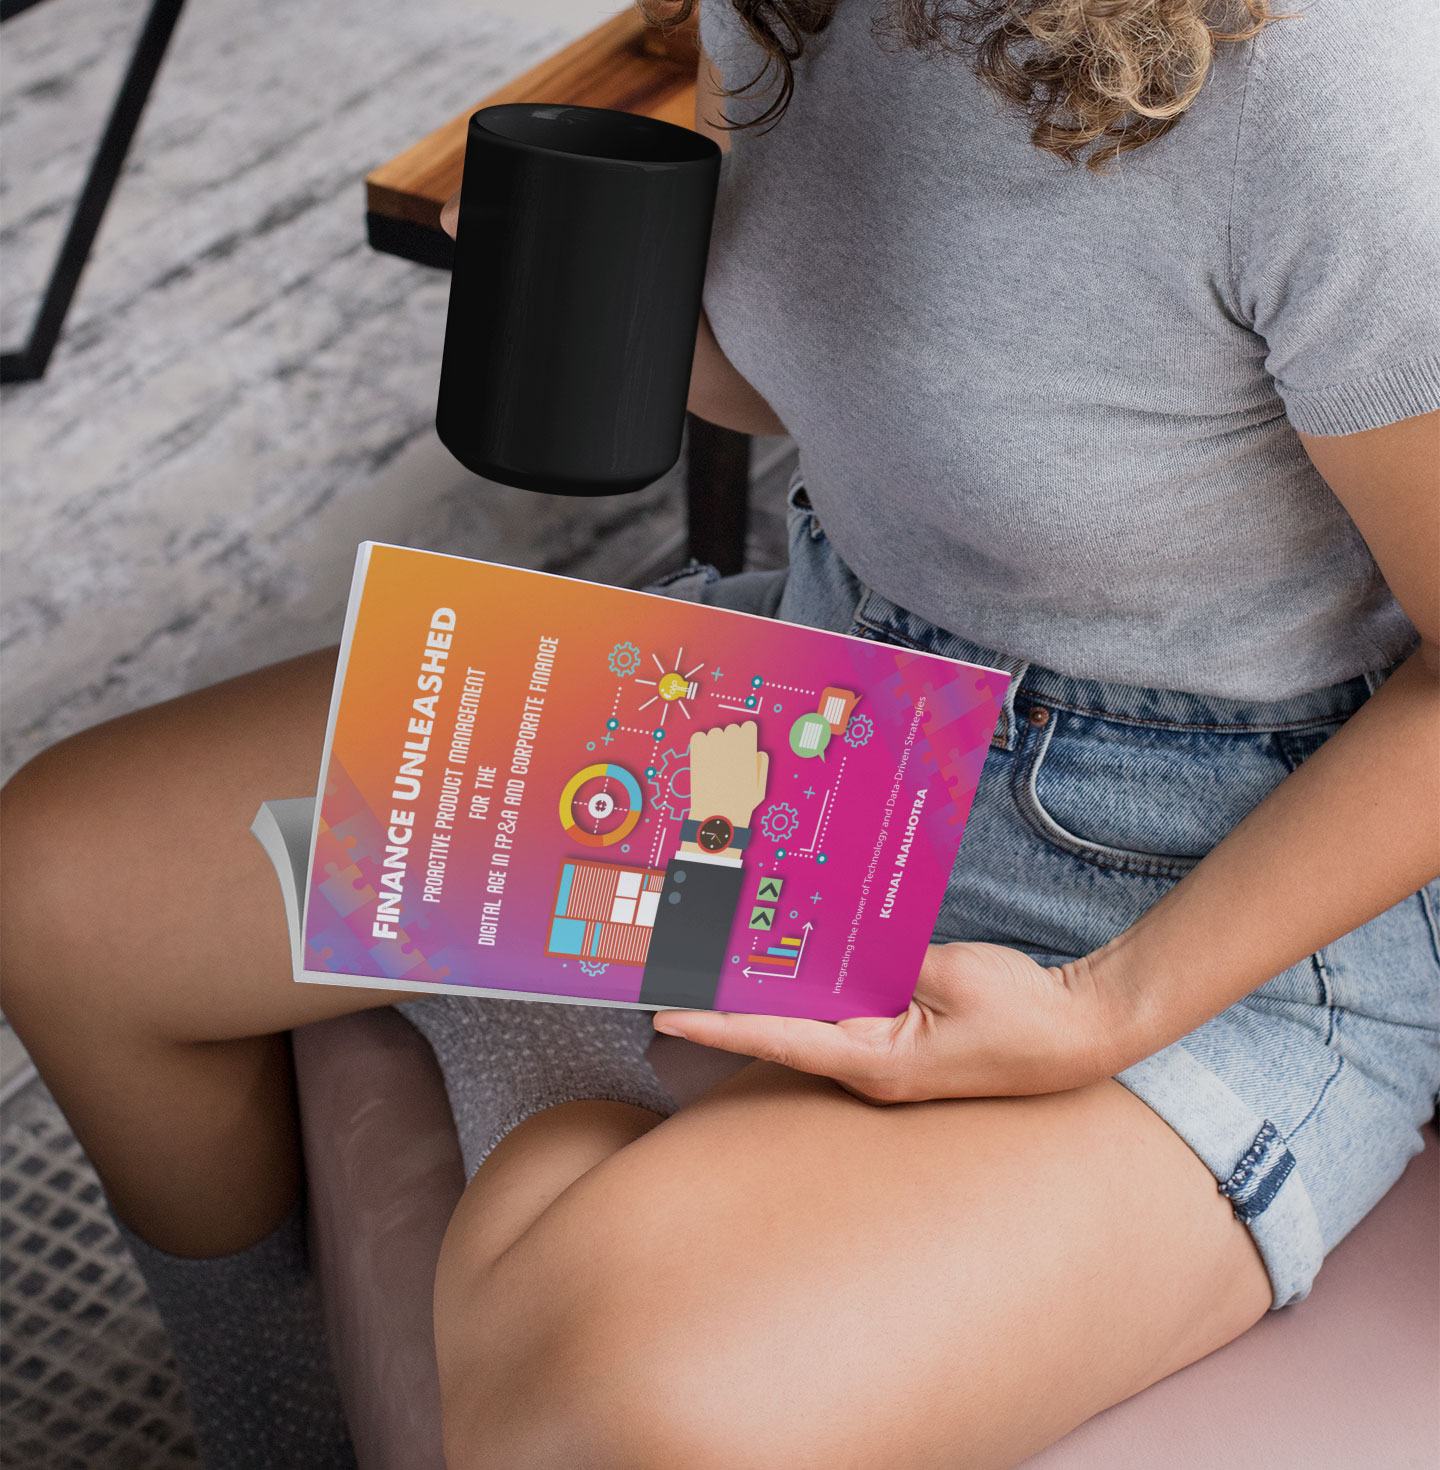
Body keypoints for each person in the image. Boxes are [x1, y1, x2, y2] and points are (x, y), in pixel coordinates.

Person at [3, 0, 1437, 1464]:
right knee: (65, 890)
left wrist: (1103, 1011)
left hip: (1197, 893)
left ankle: (568, 1125)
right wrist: (613, 302)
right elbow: (936, 387)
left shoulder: (1334, 84)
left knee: (594, 1387)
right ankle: (275, 1437)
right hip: (832, 723)